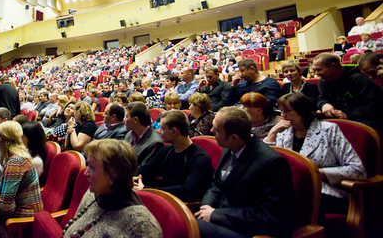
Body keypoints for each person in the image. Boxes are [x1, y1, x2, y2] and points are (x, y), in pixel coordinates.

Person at [265, 93, 366, 223]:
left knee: (286, 205)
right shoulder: (284, 133)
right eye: (281, 111)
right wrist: (272, 133)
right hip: (292, 189)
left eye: (287, 111)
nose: (282, 116)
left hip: (327, 191)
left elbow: (357, 170)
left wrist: (314, 173)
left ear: (302, 111)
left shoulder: (328, 130)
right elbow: (273, 165)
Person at [195, 106, 295, 238]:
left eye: (217, 130)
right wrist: (206, 207)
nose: (211, 131)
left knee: (186, 229)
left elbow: (271, 217)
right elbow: (217, 184)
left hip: (246, 230)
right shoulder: (229, 147)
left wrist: (215, 215)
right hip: (221, 219)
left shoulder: (272, 163)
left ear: (234, 138)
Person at [62, 139, 162, 238]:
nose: (85, 173)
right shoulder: (93, 193)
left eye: (92, 167)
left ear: (113, 175)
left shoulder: (142, 227)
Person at [0, 121, 43, 238]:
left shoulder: (15, 163)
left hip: (20, 224)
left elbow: (5, 209)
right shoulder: (18, 157)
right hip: (19, 216)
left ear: (1, 140)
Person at [135, 111, 213, 202]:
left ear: (174, 131)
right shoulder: (167, 150)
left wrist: (146, 189)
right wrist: (130, 178)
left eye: (162, 128)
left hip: (178, 205)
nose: (159, 131)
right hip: (162, 198)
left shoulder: (200, 158)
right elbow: (148, 168)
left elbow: (187, 191)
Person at [313, 53, 383, 134]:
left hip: (364, 120)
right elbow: (322, 98)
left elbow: (375, 105)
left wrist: (348, 116)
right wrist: (324, 105)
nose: (316, 74)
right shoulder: (324, 80)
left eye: (319, 70)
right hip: (340, 120)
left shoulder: (358, 78)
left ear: (333, 66)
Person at [124, 102, 163, 169]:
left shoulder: (155, 143)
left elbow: (143, 171)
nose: (124, 119)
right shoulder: (129, 135)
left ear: (135, 120)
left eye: (126, 116)